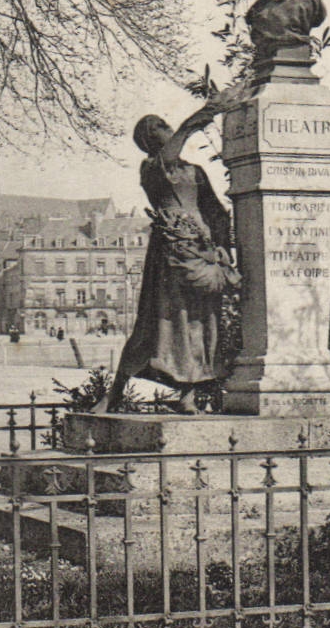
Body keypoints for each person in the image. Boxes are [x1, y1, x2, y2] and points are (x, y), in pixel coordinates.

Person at [95, 83, 245, 415]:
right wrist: (209, 111)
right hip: (169, 254)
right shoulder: (152, 168)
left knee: (200, 322)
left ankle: (188, 396)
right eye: (156, 127)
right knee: (156, 320)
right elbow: (180, 139)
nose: (164, 128)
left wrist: (223, 248)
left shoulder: (195, 171)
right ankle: (114, 395)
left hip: (200, 252)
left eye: (164, 123)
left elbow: (216, 211)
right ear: (148, 142)